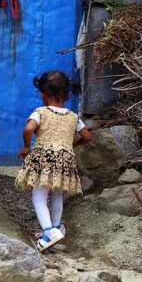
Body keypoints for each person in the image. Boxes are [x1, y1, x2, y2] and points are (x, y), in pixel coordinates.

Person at [16, 70, 92, 251]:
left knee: (39, 196)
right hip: (65, 160)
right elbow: (88, 137)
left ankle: (49, 232)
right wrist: (71, 144)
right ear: (66, 93)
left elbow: (28, 129)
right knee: (58, 193)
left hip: (45, 158)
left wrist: (26, 147)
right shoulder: (73, 117)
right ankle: (57, 227)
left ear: (44, 93)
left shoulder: (40, 112)